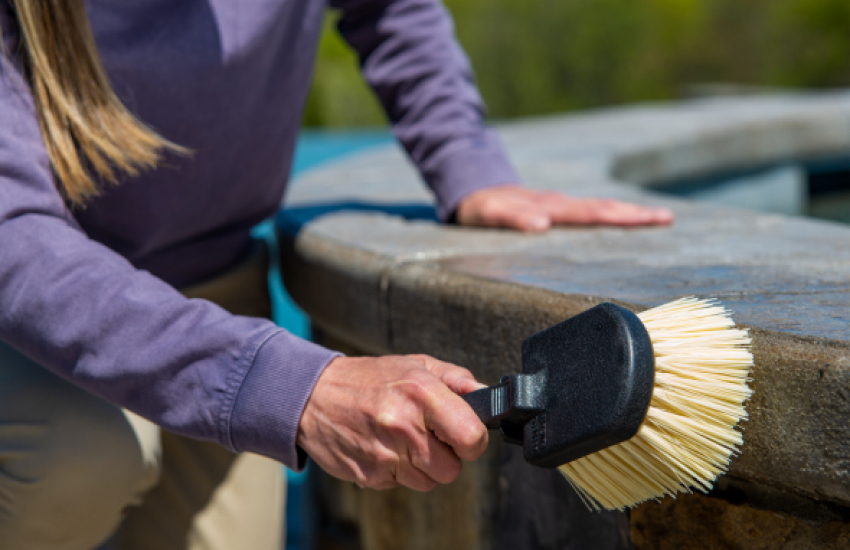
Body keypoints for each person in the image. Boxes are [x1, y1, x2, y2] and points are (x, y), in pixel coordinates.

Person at [0, 1, 672, 549]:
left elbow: (392, 9)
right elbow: (14, 238)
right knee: (78, 461)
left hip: (216, 281)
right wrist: (289, 388)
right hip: (31, 315)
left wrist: (466, 163)